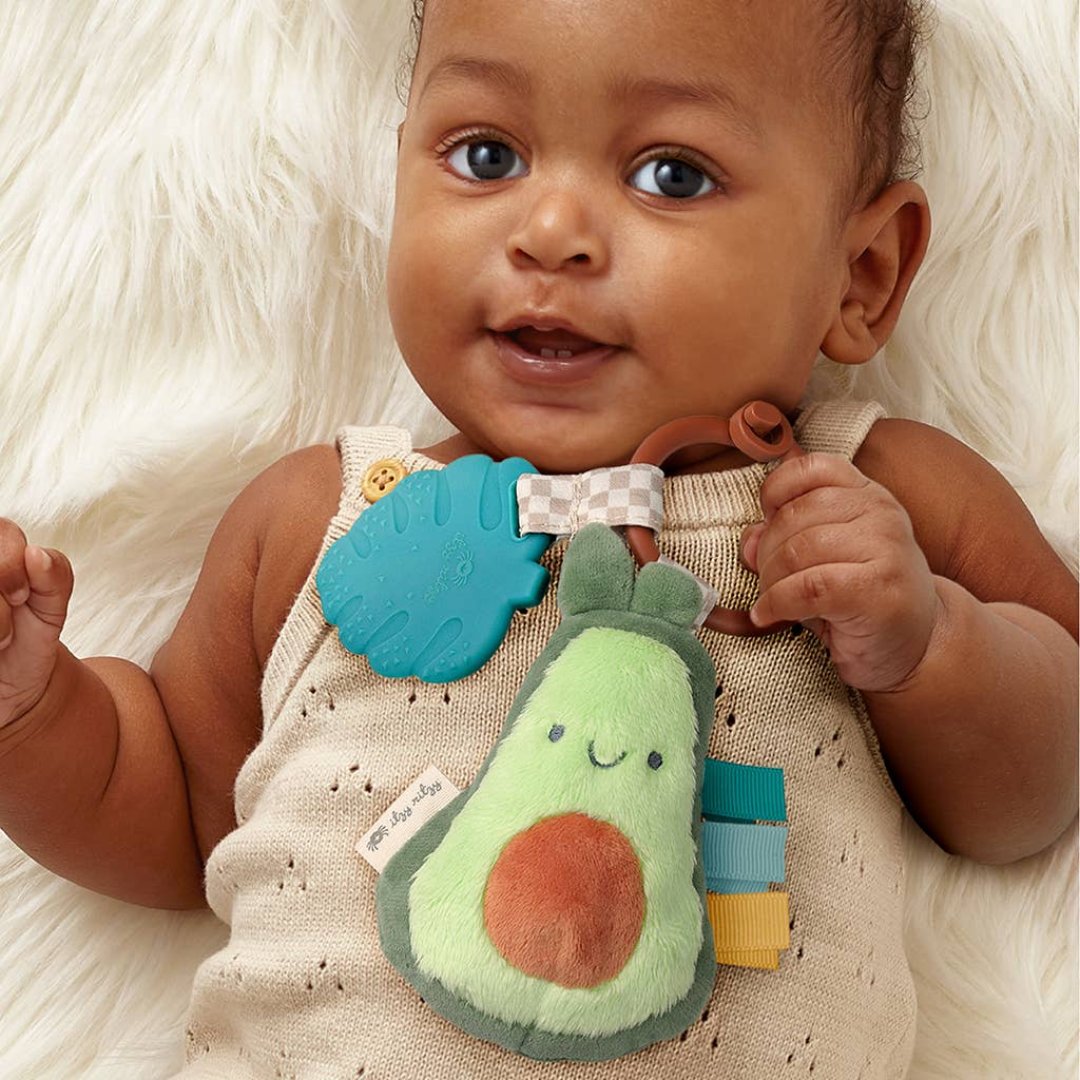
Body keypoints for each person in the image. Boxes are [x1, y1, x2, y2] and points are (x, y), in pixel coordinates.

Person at [0, 0, 1075, 1076]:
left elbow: (1044, 781)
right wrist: (35, 708)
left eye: (672, 176)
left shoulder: (863, 494)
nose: (550, 229)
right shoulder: (323, 517)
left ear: (863, 274)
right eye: (486, 155)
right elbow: (176, 804)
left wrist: (933, 648)